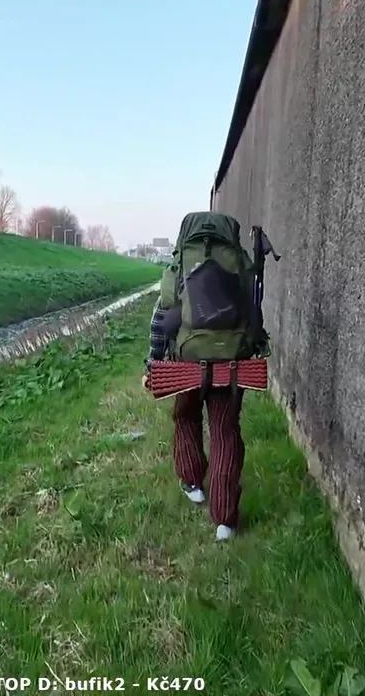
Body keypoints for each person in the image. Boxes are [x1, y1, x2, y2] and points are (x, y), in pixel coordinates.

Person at [143, 212, 254, 542]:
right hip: (230, 362)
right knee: (225, 431)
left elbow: (161, 320)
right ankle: (225, 520)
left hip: (187, 362)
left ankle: (193, 483)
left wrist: (153, 363)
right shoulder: (241, 265)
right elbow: (253, 313)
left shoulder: (179, 268)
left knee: (186, 416)